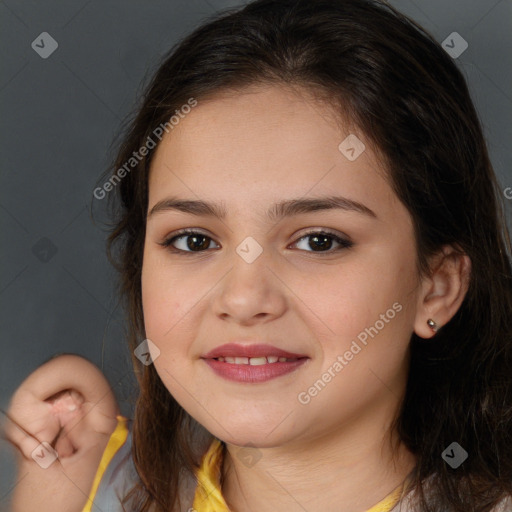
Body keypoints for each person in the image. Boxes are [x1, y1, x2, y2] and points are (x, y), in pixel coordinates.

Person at [3, 0, 512, 510]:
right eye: (194, 240)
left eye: (319, 240)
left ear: (437, 287)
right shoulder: (85, 492)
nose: (244, 299)